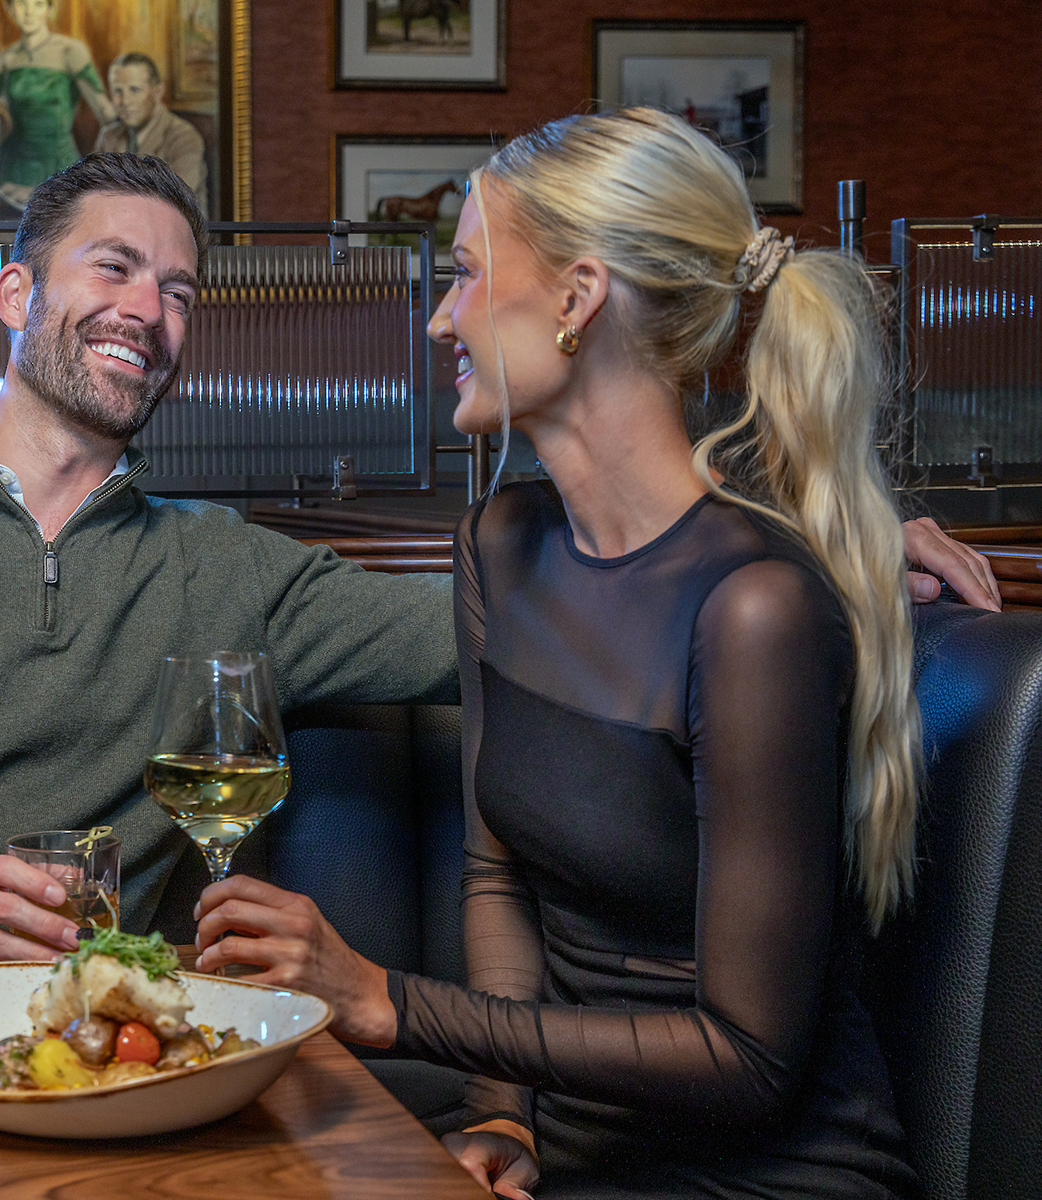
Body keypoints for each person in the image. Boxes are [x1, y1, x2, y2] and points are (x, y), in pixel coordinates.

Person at [0, 151, 998, 984]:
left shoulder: (233, 569)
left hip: (92, 1057)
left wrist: (828, 536)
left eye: (180, 291)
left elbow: (573, 600)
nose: (148, 310)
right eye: (114, 268)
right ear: (17, 297)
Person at [189, 108, 952, 1198]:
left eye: (465, 272)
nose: (441, 317)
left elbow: (749, 1060)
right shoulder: (499, 545)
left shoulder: (757, 608)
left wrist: (386, 1001)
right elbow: (498, 877)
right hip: (578, 1153)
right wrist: (504, 1115)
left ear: (576, 298)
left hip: (765, 1177)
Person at [0, 0, 116, 210]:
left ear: (49, 9)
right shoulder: (6, 60)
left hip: (59, 166)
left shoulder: (70, 51)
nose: (29, 12)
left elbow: (104, 112)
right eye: (22, 3)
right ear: (11, 9)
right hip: (12, 169)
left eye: (38, 4)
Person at [92, 53, 209, 215]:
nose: (125, 101)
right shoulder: (108, 137)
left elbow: (170, 206)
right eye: (118, 91)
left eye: (135, 90)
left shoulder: (184, 137)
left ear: (158, 91)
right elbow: (91, 196)